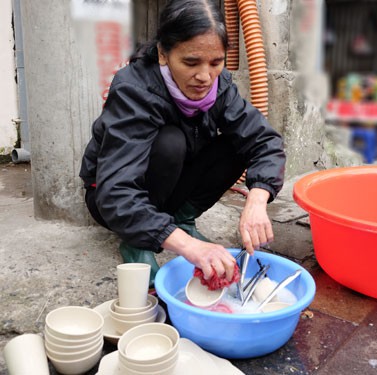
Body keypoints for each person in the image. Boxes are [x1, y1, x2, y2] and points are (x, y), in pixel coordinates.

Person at [79, 0, 286, 286]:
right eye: (191, 62)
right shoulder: (133, 89)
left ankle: (180, 220)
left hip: (172, 185)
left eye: (216, 62)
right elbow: (116, 192)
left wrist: (258, 198)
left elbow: (265, 140)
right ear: (163, 54)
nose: (204, 76)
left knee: (235, 145)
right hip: (111, 198)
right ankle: (139, 240)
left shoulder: (220, 85)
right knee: (170, 142)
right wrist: (189, 248)